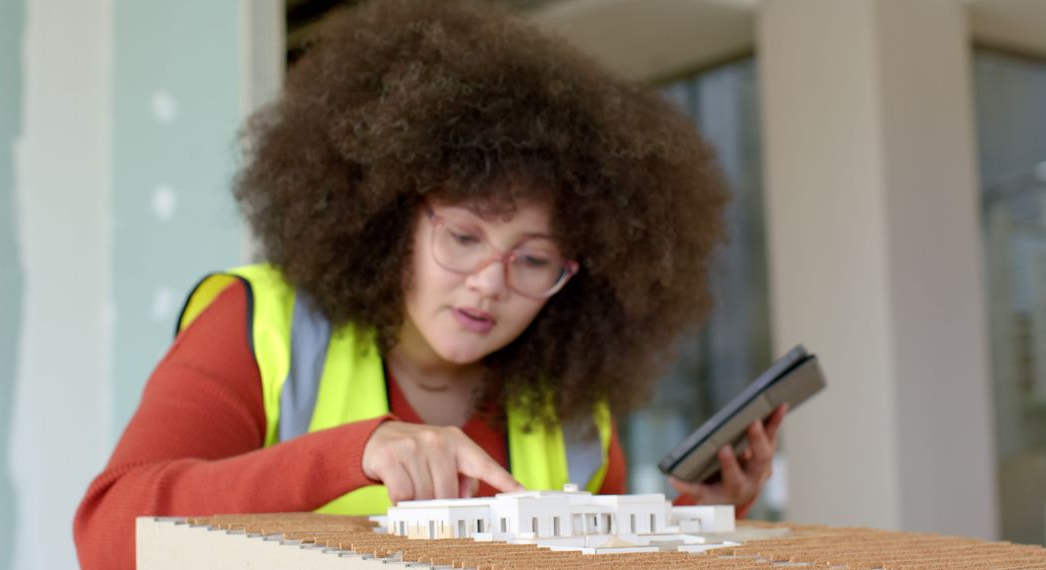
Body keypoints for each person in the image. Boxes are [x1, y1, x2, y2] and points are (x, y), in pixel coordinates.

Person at [73, 0, 787, 567]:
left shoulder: (572, 410)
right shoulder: (260, 324)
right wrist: (357, 452)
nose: (488, 285)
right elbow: (109, 535)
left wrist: (702, 513)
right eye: (464, 236)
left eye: (532, 259)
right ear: (392, 219)